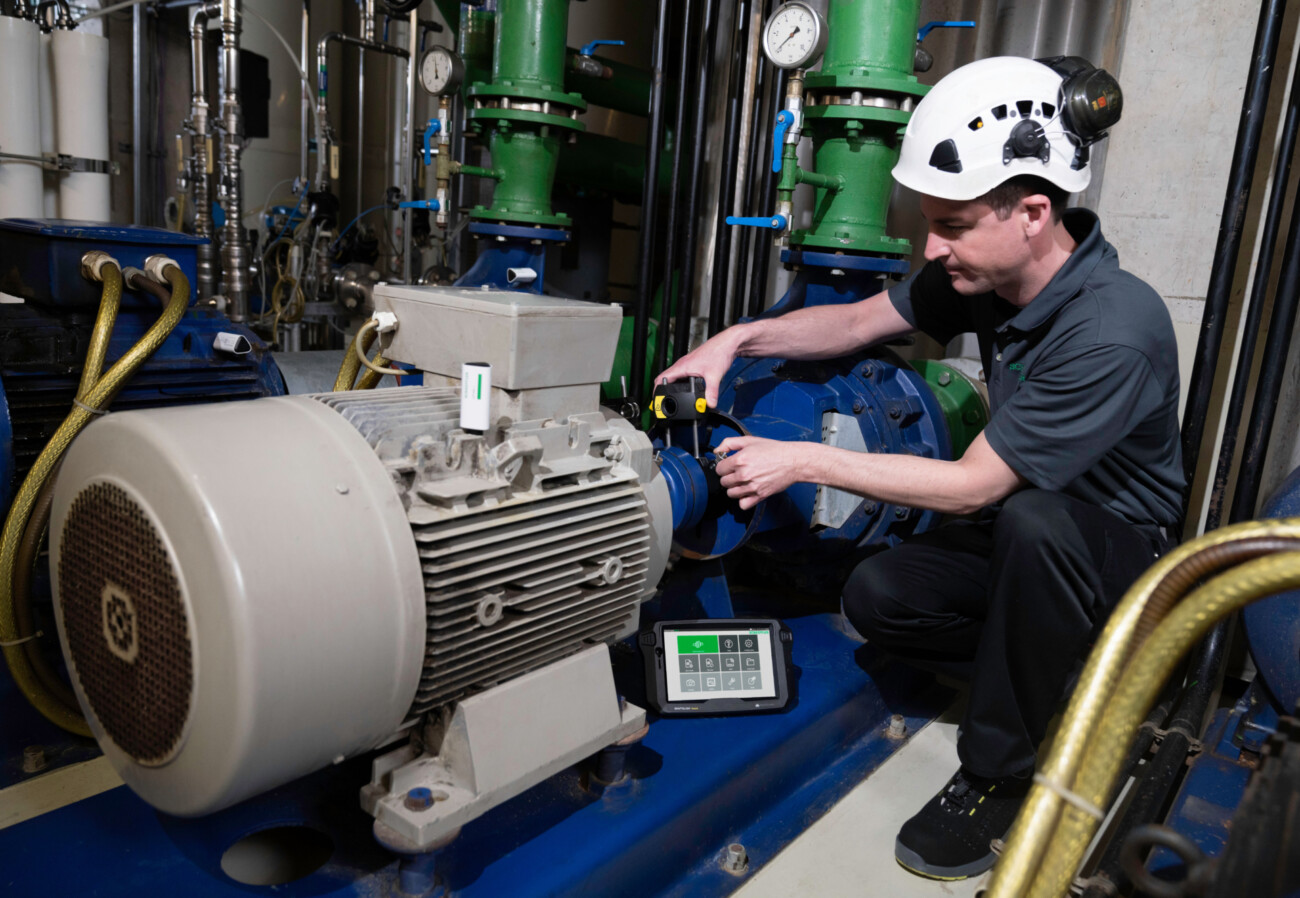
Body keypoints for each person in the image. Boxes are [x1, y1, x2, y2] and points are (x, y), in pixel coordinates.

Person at [656, 56, 1183, 881]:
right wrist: (736, 340)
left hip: (1116, 556)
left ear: (1033, 213)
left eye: (952, 225)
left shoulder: (1113, 327)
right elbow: (856, 324)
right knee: (877, 596)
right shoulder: (987, 276)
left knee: (1032, 522)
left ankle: (1000, 773)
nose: (932, 247)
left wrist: (799, 458)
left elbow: (976, 484)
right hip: (1021, 530)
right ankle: (1061, 678)